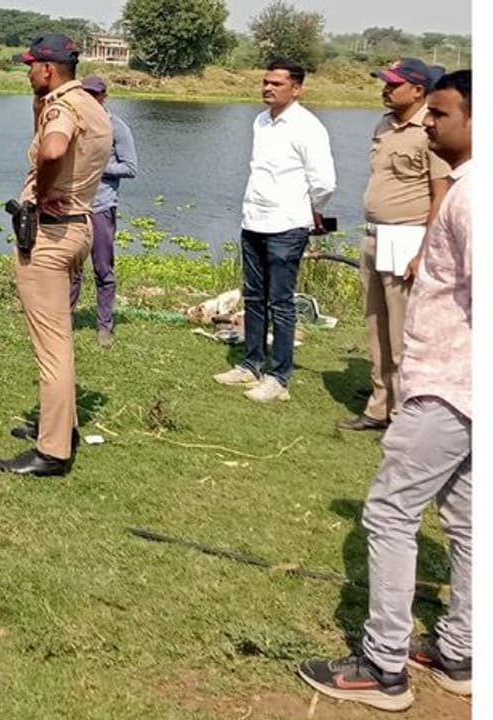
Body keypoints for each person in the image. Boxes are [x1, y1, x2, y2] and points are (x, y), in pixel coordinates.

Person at [298, 69, 472, 713]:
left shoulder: (471, 197)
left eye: (443, 115)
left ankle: (383, 665)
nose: (429, 122)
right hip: (461, 389)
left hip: (451, 387)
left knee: (391, 512)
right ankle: (459, 650)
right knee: (466, 521)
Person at [0, 35, 110, 477]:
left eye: (31, 67)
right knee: (59, 337)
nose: (27, 74)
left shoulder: (62, 108)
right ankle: (62, 426)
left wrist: (40, 191)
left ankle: (53, 452)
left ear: (47, 69)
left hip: (50, 234)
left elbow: (55, 147)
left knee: (51, 347)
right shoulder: (90, 104)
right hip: (79, 226)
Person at [213, 59, 335, 403]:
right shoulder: (261, 122)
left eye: (277, 83)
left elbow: (324, 182)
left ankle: (278, 375)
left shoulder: (308, 127)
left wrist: (313, 212)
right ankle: (251, 363)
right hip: (253, 220)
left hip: (287, 225)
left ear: (296, 88)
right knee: (254, 297)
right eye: (265, 82)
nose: (268, 88)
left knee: (281, 301)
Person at [339, 58, 449, 431]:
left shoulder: (430, 131)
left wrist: (424, 253)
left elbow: (440, 196)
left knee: (403, 332)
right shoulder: (384, 125)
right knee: (375, 327)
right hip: (374, 235)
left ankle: (405, 415)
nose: (386, 90)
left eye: (394, 85)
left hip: (407, 238)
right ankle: (379, 405)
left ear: (419, 91)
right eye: (385, 84)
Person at [70, 75, 137, 348]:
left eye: (95, 95)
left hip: (101, 206)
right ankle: (64, 321)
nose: (90, 99)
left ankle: (105, 327)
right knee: (71, 267)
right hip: (74, 206)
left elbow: (131, 168)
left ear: (104, 97)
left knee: (102, 269)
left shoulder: (116, 128)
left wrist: (97, 166)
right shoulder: (73, 125)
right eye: (85, 94)